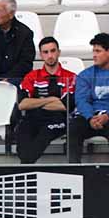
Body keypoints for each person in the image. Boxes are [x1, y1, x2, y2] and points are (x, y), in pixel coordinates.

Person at [69, 32, 109, 163]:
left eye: (98, 51)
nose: (94, 55)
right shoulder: (85, 75)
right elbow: (81, 100)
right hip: (90, 117)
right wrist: (90, 117)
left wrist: (107, 116)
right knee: (74, 128)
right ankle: (74, 173)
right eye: (93, 51)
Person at [15, 36, 78, 164]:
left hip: (59, 119)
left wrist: (35, 103)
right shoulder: (32, 76)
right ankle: (26, 167)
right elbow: (22, 104)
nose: (50, 55)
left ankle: (25, 167)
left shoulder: (71, 77)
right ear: (41, 55)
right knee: (22, 132)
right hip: (33, 118)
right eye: (46, 52)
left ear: (58, 52)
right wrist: (51, 99)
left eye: (53, 51)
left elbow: (65, 106)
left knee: (45, 132)